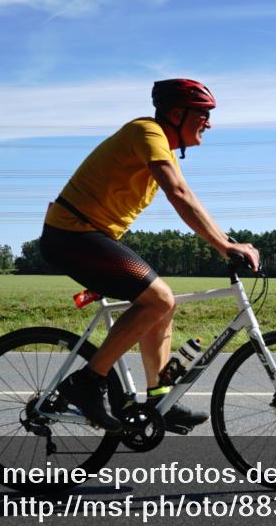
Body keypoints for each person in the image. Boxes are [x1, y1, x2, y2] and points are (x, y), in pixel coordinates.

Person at [39, 79, 260, 431]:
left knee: (161, 304)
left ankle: (160, 399)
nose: (209, 123)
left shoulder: (163, 148)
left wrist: (226, 240)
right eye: (202, 114)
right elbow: (178, 193)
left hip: (88, 236)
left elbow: (188, 196)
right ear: (177, 113)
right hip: (71, 235)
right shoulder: (147, 132)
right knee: (159, 299)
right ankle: (87, 383)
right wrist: (225, 247)